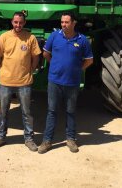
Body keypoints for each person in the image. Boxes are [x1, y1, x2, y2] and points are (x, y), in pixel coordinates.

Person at [38, 12, 93, 154]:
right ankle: (47, 141)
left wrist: (77, 69)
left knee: (71, 112)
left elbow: (89, 60)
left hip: (72, 82)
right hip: (54, 81)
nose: (63, 24)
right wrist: (55, 65)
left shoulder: (82, 40)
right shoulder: (54, 36)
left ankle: (71, 139)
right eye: (62, 22)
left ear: (74, 23)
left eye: (66, 22)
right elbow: (45, 53)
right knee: (52, 111)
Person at [0, 11, 42, 151]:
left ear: (24, 23)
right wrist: (2, 68)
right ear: (12, 22)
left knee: (26, 112)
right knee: (3, 112)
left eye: (20, 22)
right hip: (6, 81)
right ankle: (1, 137)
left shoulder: (30, 38)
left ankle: (29, 139)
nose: (18, 24)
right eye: (15, 22)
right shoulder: (4, 37)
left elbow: (36, 56)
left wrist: (31, 68)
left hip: (24, 81)